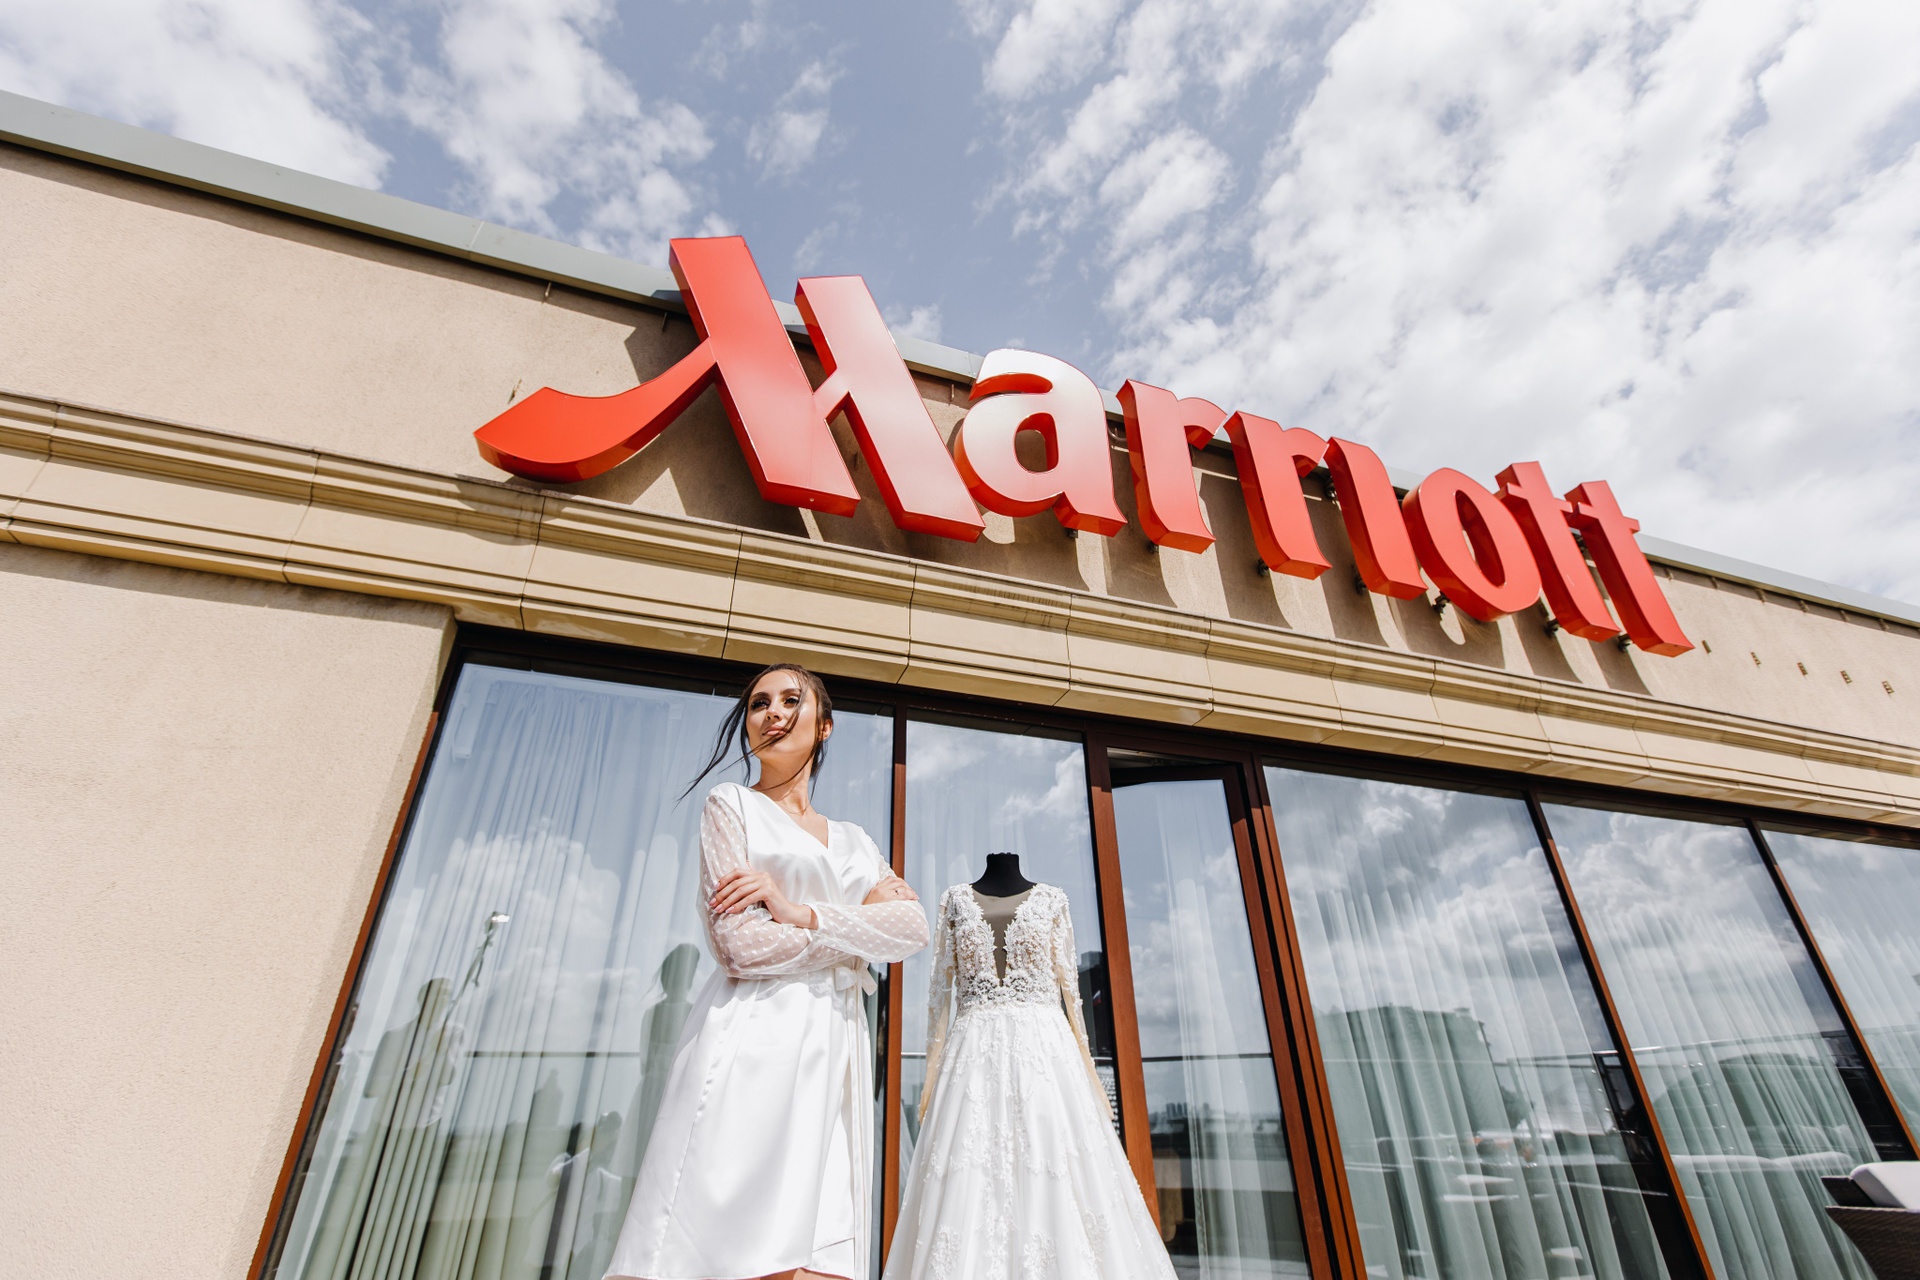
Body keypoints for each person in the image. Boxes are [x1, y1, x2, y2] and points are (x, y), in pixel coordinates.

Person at [604, 663, 929, 1280]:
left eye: (790, 700)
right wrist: (856, 930)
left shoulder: (857, 840)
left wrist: (799, 912)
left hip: (837, 1049)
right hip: (754, 1038)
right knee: (732, 1249)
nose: (772, 712)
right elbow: (739, 946)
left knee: (822, 1257)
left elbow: (911, 929)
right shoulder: (731, 806)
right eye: (758, 704)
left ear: (825, 725)